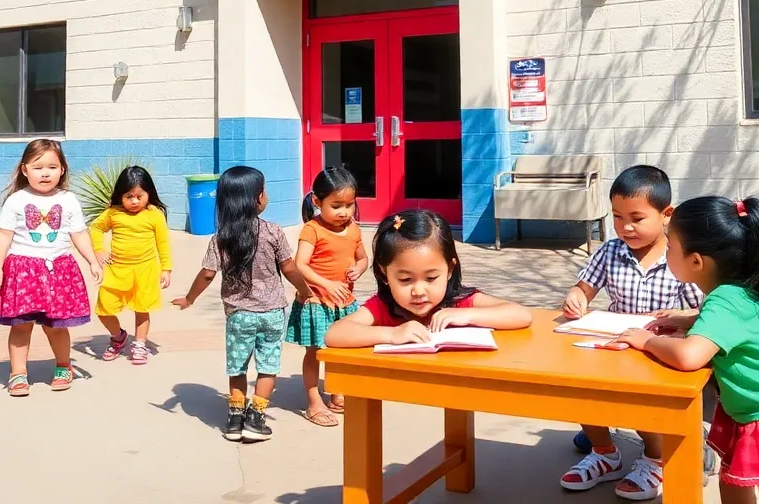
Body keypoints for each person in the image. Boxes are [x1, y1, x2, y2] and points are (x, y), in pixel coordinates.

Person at [616, 196, 759, 504]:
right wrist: (684, 316)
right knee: (733, 485)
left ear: (697, 261)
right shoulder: (738, 291)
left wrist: (647, 341)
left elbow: (689, 357)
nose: (666, 252)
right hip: (753, 413)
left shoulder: (724, 301)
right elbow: (727, 320)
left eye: (670, 247)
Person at [558, 165, 704, 498]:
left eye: (637, 218)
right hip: (613, 342)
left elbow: (701, 311)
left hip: (659, 347)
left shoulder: (678, 256)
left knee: (644, 401)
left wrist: (679, 317)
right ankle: (604, 453)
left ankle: (656, 459)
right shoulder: (610, 251)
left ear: (666, 214)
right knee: (580, 386)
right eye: (617, 217)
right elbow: (583, 289)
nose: (626, 227)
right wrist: (575, 297)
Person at [172, 166, 311, 443]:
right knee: (268, 366)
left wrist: (190, 298)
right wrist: (304, 291)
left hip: (238, 316)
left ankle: (235, 420)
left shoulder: (221, 238)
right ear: (258, 198)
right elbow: (290, 268)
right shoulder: (273, 232)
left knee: (237, 367)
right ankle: (256, 420)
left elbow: (207, 274)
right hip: (271, 313)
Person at [0, 139, 102, 397]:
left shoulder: (69, 199)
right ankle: (17, 373)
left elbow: (79, 233)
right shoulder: (16, 200)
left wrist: (92, 260)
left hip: (59, 271)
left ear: (62, 170)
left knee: (56, 325)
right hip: (22, 270)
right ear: (24, 169)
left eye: (52, 166)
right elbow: (3, 235)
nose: (45, 173)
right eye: (38, 167)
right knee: (21, 325)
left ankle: (63, 366)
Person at [324, 209, 532, 347]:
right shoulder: (384, 307)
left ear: (450, 269)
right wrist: (391, 335)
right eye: (405, 280)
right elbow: (335, 333)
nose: (418, 291)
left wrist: (468, 315)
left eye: (431, 278)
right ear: (384, 273)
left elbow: (521, 315)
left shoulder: (459, 301)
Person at [285, 167, 368, 427]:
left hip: (344, 302)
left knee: (341, 350)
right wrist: (327, 284)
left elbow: (363, 257)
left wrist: (359, 268)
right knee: (316, 352)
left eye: (349, 205)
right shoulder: (312, 230)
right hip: (317, 303)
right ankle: (314, 402)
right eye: (336, 205)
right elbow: (301, 265)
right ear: (317, 201)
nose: (344, 212)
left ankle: (338, 394)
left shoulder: (353, 228)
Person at [90, 165, 172, 365]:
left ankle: (140, 344)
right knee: (104, 309)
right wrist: (99, 249)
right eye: (129, 196)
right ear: (120, 195)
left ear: (148, 194)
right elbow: (95, 228)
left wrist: (166, 269)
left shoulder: (154, 214)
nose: (134, 201)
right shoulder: (113, 213)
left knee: (142, 308)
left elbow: (163, 243)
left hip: (145, 270)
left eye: (139, 196)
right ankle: (118, 337)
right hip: (117, 271)